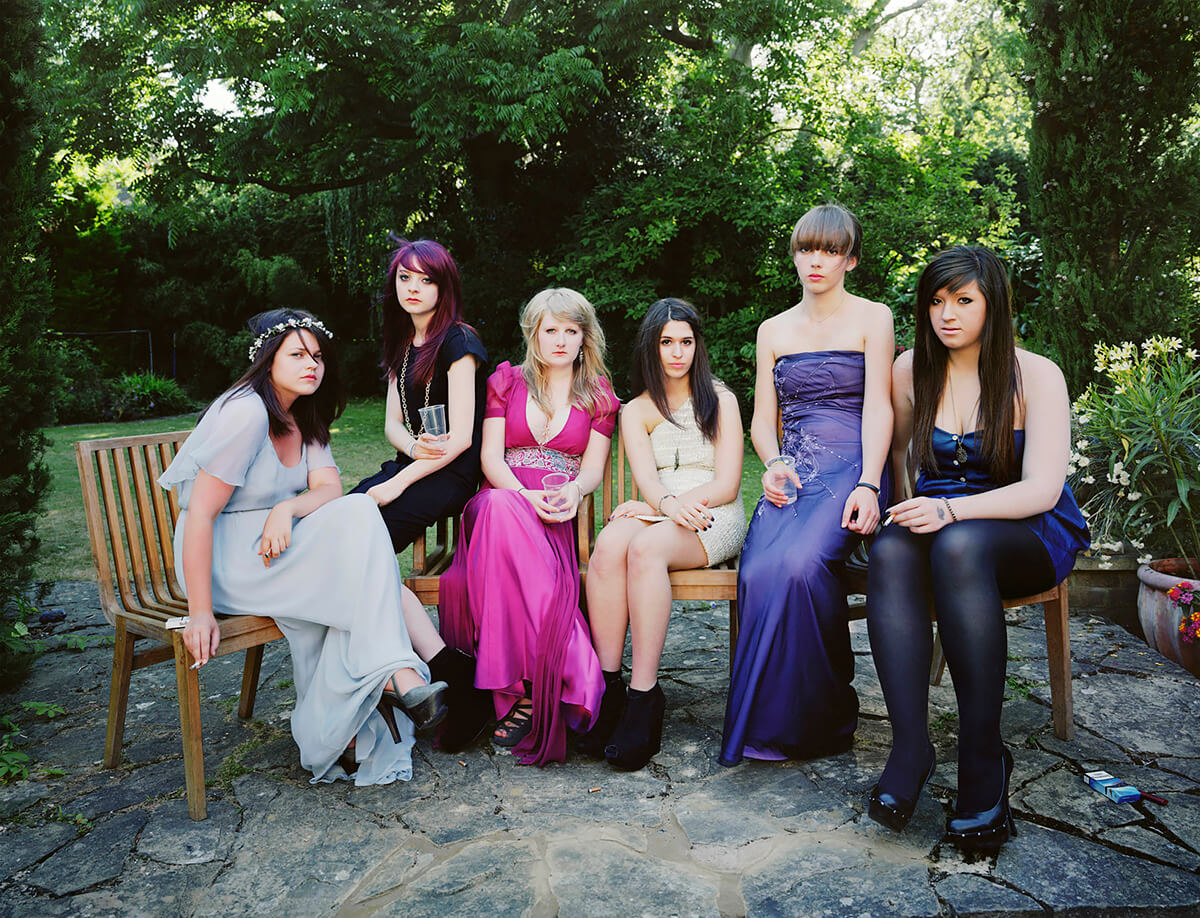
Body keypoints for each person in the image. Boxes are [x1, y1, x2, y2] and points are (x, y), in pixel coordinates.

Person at [160, 309, 448, 786]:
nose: (311, 364)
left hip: (274, 547)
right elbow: (201, 517)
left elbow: (330, 491)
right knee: (363, 583)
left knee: (358, 514)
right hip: (225, 560)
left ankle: (348, 725)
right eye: (296, 354)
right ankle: (399, 677)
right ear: (269, 360)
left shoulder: (303, 415)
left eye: (316, 355)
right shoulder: (247, 413)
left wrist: (285, 510)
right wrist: (200, 611)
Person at [864, 245, 1088, 851]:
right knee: (889, 550)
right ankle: (911, 749)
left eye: (964, 300)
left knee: (959, 544)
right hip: (943, 523)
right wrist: (906, 512)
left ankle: (984, 761)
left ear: (994, 304)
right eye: (936, 301)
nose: (948, 314)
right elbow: (903, 458)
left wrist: (949, 511)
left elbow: (1042, 489)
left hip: (1027, 531)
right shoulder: (911, 370)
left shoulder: (1035, 374)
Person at [720, 203, 895, 767]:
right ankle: (773, 722)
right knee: (760, 568)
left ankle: (824, 714)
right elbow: (760, 420)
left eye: (830, 250)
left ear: (850, 259)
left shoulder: (874, 317)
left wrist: (869, 483)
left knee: (801, 566)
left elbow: (879, 409)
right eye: (806, 249)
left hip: (852, 466)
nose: (815, 261)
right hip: (793, 468)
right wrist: (771, 463)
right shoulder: (772, 329)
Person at [438, 288, 619, 766]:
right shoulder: (506, 381)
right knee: (498, 509)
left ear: (585, 337)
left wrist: (575, 493)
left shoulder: (598, 395)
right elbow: (490, 458)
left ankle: (521, 692)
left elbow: (592, 471)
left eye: (571, 331)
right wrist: (522, 496)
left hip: (556, 513)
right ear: (533, 334)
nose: (560, 340)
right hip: (501, 503)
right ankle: (573, 665)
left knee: (512, 538)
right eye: (550, 329)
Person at [582, 298, 746, 770]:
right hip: (664, 509)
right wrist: (662, 504)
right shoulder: (635, 409)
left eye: (686, 342)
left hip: (713, 514)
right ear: (651, 348)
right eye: (666, 342)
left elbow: (728, 483)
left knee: (646, 549)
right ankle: (609, 690)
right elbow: (650, 482)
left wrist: (674, 506)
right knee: (610, 545)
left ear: (698, 345)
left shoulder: (722, 399)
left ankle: (644, 696)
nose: (677, 352)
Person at [351, 238, 492, 752]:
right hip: (414, 461)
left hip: (450, 475)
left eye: (425, 280)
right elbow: (392, 422)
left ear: (444, 286)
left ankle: (418, 679)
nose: (413, 288)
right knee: (345, 532)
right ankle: (448, 672)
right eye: (405, 278)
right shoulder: (400, 342)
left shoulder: (459, 343)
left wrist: (397, 483)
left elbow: (461, 441)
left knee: (360, 550)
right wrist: (411, 449)